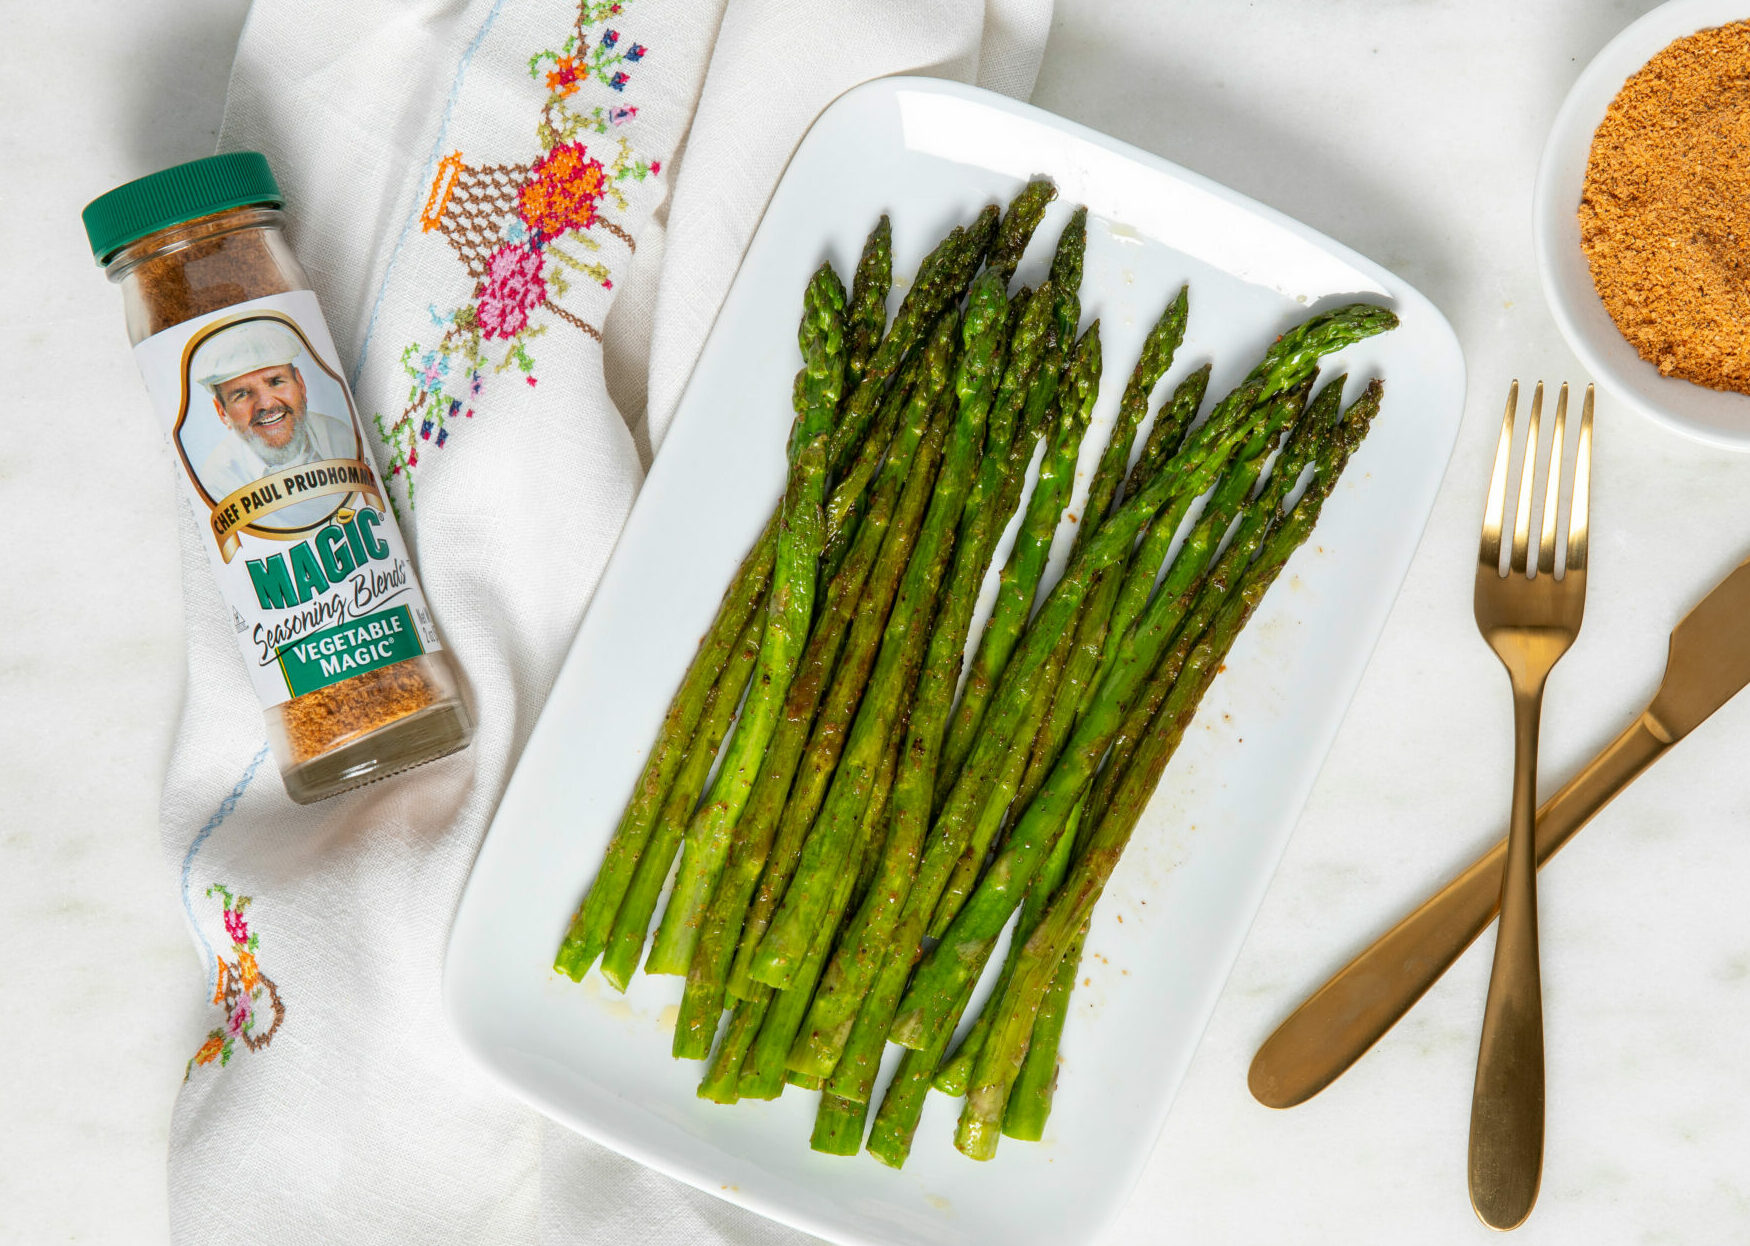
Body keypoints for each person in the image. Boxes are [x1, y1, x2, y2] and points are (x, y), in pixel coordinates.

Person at [189, 320, 357, 530]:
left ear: (301, 385)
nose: (267, 403)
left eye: (276, 381)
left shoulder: (340, 437)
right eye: (242, 394)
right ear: (222, 412)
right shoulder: (219, 482)